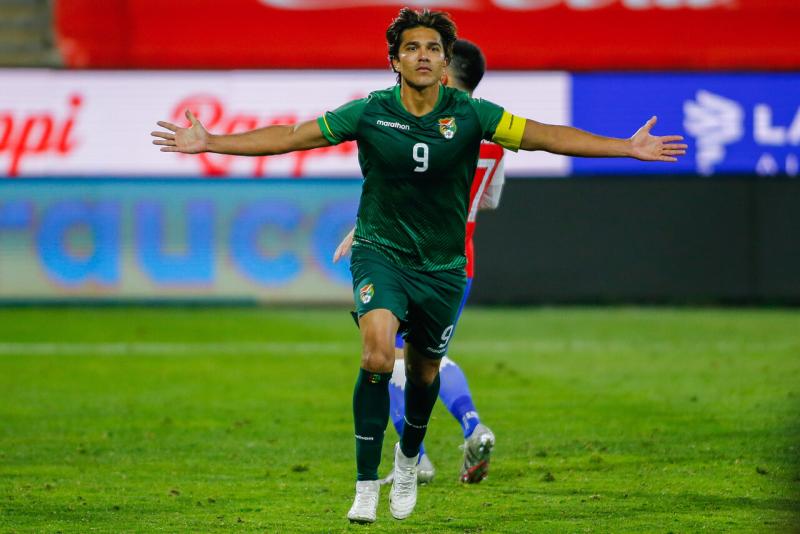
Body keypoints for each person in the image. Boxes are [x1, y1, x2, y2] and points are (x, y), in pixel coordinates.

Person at [151, 8, 686, 524]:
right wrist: (211, 143)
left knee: (426, 370)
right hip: (381, 253)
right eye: (412, 48)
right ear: (396, 61)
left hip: (443, 266)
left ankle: (409, 458)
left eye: (433, 47)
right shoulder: (369, 112)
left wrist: (624, 147)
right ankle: (364, 487)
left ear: (445, 60)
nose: (423, 55)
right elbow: (293, 135)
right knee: (379, 351)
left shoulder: (475, 115)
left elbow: (546, 134)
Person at [332, 39, 503, 488]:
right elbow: (486, 200)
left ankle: (421, 456)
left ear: (445, 72)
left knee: (389, 356)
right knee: (424, 357)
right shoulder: (493, 135)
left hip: (412, 256)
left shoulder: (431, 127)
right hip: (459, 263)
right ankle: (469, 428)